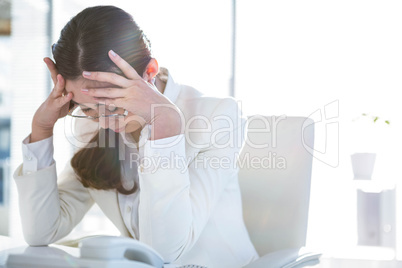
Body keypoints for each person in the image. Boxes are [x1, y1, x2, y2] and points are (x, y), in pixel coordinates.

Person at [13, 5, 258, 267]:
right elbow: (42, 232)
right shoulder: (90, 126)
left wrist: (164, 124)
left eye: (114, 105)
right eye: (88, 109)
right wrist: (41, 129)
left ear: (149, 73)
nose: (105, 122)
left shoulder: (217, 117)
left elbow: (164, 251)